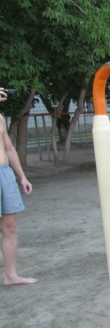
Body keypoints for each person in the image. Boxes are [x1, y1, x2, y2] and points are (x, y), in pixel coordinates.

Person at [0, 88, 36, 286]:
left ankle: (10, 276)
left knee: (10, 226)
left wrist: (22, 176)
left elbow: (8, 148)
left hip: (4, 173)